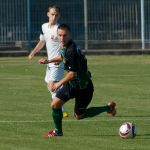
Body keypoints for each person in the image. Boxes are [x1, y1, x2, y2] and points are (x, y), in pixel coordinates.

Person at [39, 24, 116, 137]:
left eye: (64, 35)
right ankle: (58, 132)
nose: (62, 38)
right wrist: (48, 61)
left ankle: (109, 107)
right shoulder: (65, 46)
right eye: (59, 35)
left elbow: (72, 74)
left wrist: (58, 84)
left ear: (70, 35)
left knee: (79, 116)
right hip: (72, 84)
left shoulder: (72, 50)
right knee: (55, 105)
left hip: (84, 88)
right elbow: (62, 57)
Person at [28, 5, 68, 118]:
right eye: (52, 14)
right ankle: (62, 103)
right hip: (49, 63)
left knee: (51, 86)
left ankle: (61, 108)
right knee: (49, 84)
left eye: (56, 15)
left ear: (59, 16)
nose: (54, 17)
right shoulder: (44, 26)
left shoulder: (59, 29)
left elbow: (64, 45)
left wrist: (60, 58)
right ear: (48, 14)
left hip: (57, 62)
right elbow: (42, 42)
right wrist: (33, 52)